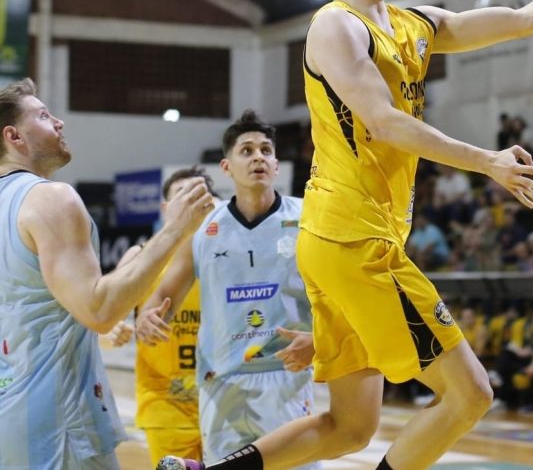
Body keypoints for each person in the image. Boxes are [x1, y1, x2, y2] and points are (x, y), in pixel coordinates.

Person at [159, 0, 533, 470]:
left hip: (343, 240)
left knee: (349, 427)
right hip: (353, 238)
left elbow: (520, 18)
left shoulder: (414, 25)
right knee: (472, 394)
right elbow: (384, 122)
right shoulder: (334, 25)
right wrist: (486, 160)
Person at [0, 78, 213, 469]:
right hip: (57, 423)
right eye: (44, 116)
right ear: (14, 136)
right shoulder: (49, 197)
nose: (59, 122)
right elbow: (98, 310)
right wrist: (176, 229)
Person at [138, 111, 315, 468]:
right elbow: (162, 297)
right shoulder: (203, 229)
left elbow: (340, 294)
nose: (258, 158)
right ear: (226, 167)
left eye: (266, 150)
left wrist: (322, 338)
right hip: (222, 380)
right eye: (246, 151)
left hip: (287, 374)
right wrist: (148, 317)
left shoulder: (308, 218)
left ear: (277, 165)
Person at [113, 167, 216, 467]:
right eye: (182, 196)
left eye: (198, 196)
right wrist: (112, 331)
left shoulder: (231, 255)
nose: (190, 204)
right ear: (165, 208)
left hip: (225, 401)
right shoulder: (139, 256)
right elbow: (107, 320)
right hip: (166, 403)